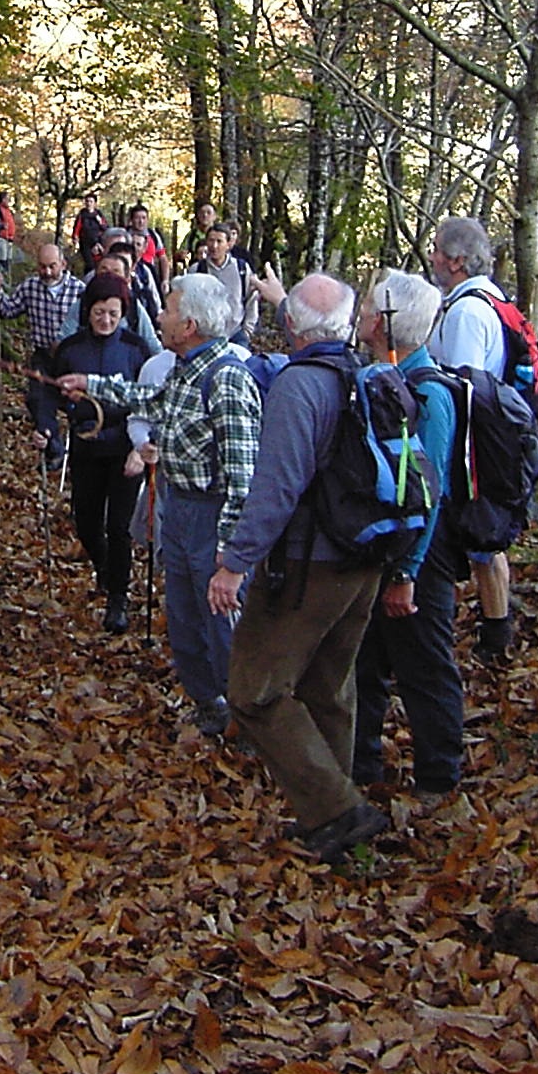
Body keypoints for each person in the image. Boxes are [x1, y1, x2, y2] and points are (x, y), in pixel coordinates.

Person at [205, 273, 388, 865]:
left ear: (290, 327)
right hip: (365, 557)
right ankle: (335, 818)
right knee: (327, 687)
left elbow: (277, 487)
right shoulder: (363, 375)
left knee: (254, 691)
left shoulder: (300, 386)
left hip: (311, 564)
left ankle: (338, 811)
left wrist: (236, 562)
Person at [62, 274, 260, 736]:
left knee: (221, 621)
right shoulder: (182, 370)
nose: (159, 315)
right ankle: (209, 706)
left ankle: (247, 720)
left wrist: (231, 555)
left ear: (189, 325)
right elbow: (145, 397)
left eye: (168, 309)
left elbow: (244, 478)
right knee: (185, 617)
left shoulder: (227, 380)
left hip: (213, 517)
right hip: (178, 508)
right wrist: (89, 384)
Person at [350, 269, 466, 802]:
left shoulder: (429, 394)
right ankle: (361, 766)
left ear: (385, 322)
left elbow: (430, 492)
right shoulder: (379, 378)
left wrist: (407, 573)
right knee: (365, 659)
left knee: (424, 665)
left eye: (369, 308)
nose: (362, 316)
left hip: (421, 554)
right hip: (382, 544)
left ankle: (440, 779)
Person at [424, 215, 519, 662]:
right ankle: (495, 630)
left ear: (457, 261)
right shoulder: (492, 299)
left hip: (474, 445)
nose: (432, 258)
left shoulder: (466, 313)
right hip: (495, 435)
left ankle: (492, 639)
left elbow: (460, 388)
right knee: (487, 541)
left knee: (481, 539)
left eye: (437, 250)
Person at [53, 273, 154, 632]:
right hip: (86, 444)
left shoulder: (136, 349)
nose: (106, 321)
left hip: (124, 445)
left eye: (113, 313)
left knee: (119, 525)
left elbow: (149, 399)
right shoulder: (71, 349)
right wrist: (54, 416)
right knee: (87, 522)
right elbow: (49, 393)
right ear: (87, 311)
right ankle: (106, 569)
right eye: (99, 313)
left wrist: (143, 446)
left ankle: (118, 599)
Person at [0, 241, 82, 464]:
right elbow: (6, 310)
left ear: (63, 264)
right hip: (42, 356)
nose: (46, 272)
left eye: (52, 266)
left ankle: (80, 452)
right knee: (38, 401)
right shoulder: (30, 287)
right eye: (42, 266)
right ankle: (53, 450)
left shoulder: (79, 290)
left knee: (77, 406)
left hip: (72, 359)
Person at [65, 239, 162, 351]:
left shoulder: (134, 307)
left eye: (116, 272)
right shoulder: (83, 304)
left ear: (127, 278)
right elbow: (63, 342)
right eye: (104, 271)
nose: (109, 276)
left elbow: (153, 346)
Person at [189, 223, 259, 347]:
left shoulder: (241, 268)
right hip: (206, 336)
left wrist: (247, 330)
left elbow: (252, 298)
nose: (214, 246)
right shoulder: (197, 270)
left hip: (236, 334)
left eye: (219, 241)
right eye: (211, 240)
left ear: (228, 244)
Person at [126, 204, 170, 292]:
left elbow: (163, 258)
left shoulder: (153, 236)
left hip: (150, 274)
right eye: (137, 218)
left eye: (144, 218)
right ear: (131, 220)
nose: (141, 221)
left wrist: (165, 280)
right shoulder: (125, 235)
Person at [70, 194, 108, 273]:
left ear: (95, 203)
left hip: (98, 243)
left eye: (91, 201)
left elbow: (105, 228)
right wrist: (75, 239)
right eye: (87, 201)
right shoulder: (82, 215)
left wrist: (100, 222)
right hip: (85, 244)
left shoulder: (99, 215)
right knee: (89, 265)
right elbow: (77, 229)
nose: (89, 203)